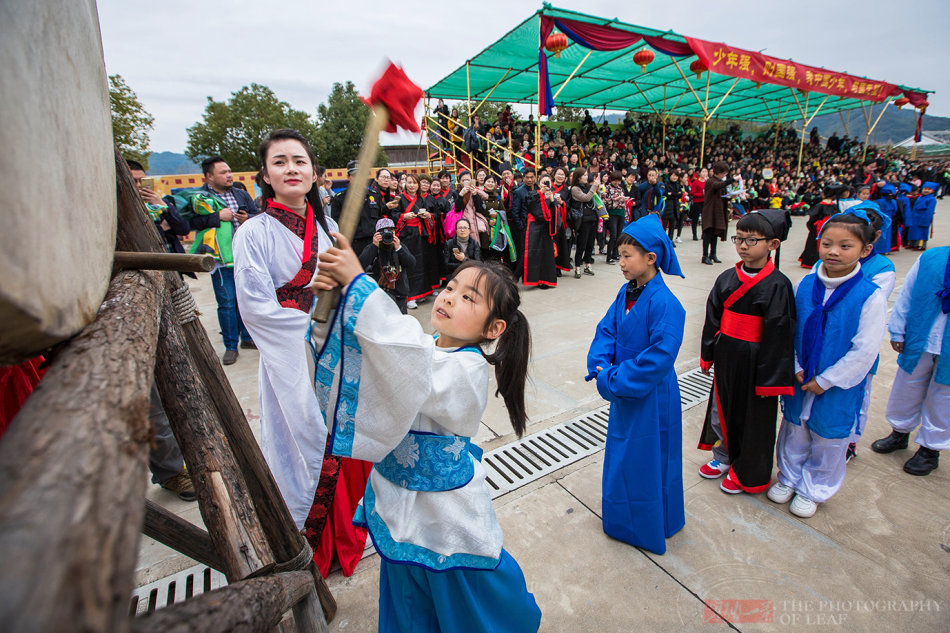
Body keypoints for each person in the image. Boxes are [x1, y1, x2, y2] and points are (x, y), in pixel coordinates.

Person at [311, 252, 542, 633]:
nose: (450, 297)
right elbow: (376, 360)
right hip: (398, 499)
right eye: (451, 287)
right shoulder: (424, 346)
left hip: (443, 514)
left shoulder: (465, 369)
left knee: (460, 596)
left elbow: (407, 363)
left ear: (494, 328)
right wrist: (334, 310)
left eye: (469, 298)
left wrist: (362, 291)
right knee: (406, 596)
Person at [233, 128, 370, 577]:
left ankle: (342, 537)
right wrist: (312, 326)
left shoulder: (329, 228)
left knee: (339, 437)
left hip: (336, 351)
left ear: (314, 174)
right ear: (266, 176)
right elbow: (256, 309)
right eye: (280, 162)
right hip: (292, 357)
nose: (291, 169)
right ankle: (303, 543)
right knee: (300, 442)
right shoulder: (253, 233)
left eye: (299, 161)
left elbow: (351, 288)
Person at [769, 210, 886, 518]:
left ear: (865, 250)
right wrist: (795, 365)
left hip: (836, 383)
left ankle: (814, 488)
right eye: (827, 243)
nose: (833, 251)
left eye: (845, 246)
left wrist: (827, 379)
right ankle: (789, 478)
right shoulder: (804, 285)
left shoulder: (869, 296)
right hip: (800, 374)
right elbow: (789, 330)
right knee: (794, 429)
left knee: (828, 437)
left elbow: (865, 349)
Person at [586, 214, 686, 554]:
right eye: (621, 254)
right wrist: (600, 365)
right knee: (624, 455)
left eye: (628, 255)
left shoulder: (667, 304)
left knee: (650, 459)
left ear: (651, 258)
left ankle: (651, 524)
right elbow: (607, 330)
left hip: (651, 395)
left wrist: (612, 378)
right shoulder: (625, 292)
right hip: (624, 390)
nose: (622, 262)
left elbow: (659, 357)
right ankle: (623, 520)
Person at [697, 210, 796, 494]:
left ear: (773, 244)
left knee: (752, 417)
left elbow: (780, 333)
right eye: (738, 238)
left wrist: (773, 378)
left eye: (751, 240)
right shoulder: (726, 277)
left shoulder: (778, 285)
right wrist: (708, 352)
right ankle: (723, 457)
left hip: (757, 362)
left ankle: (746, 470)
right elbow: (712, 316)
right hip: (727, 355)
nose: (742, 245)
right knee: (721, 409)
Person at [870, 245, 950, 476]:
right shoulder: (931, 257)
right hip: (921, 335)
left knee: (944, 396)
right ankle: (899, 431)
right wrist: (898, 331)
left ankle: (930, 448)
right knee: (906, 386)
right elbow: (908, 294)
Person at [184, 156, 260, 364]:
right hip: (220, 261)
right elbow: (190, 223)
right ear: (209, 177)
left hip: (245, 257)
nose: (229, 175)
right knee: (226, 302)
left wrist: (249, 219)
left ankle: (247, 338)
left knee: (246, 299)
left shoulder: (241, 193)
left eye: (229, 171)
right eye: (223, 172)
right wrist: (217, 217)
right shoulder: (199, 197)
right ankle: (230, 346)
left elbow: (257, 214)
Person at [396, 174, 438, 309]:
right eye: (409, 182)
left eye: (414, 183)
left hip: (420, 234)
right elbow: (394, 215)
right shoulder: (400, 199)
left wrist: (428, 216)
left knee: (421, 264)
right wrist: (403, 216)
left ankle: (420, 293)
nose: (412, 185)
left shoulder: (421, 199)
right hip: (406, 234)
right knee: (409, 265)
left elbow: (431, 214)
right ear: (405, 184)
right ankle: (409, 296)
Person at [358, 218, 416, 314]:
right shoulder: (373, 247)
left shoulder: (399, 246)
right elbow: (360, 264)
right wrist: (374, 246)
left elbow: (412, 264)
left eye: (390, 231)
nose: (387, 234)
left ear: (394, 232)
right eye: (382, 232)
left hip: (399, 293)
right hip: (379, 294)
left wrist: (399, 249)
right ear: (376, 234)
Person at [522, 173, 560, 289]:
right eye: (544, 182)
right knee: (535, 254)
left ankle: (545, 280)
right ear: (539, 184)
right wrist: (541, 193)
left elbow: (554, 214)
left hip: (547, 229)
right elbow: (531, 204)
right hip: (535, 228)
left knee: (547, 255)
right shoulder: (533, 194)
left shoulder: (551, 196)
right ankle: (535, 280)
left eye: (548, 182)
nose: (546, 184)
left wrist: (552, 201)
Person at [570, 167, 601, 278]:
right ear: (578, 177)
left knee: (590, 244)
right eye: (584, 175)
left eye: (586, 174)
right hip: (582, 220)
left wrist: (597, 188)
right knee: (581, 244)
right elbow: (586, 198)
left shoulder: (589, 187)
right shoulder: (575, 189)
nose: (586, 177)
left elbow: (596, 198)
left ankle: (588, 265)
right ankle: (577, 266)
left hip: (593, 218)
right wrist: (594, 186)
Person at [798, 184, 840, 268]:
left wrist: (811, 226)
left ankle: (809, 263)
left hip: (817, 228)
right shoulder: (834, 206)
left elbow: (812, 218)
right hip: (830, 227)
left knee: (813, 245)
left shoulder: (820, 205)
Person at [701, 161, 730, 266]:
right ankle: (705, 256)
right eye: (724, 173)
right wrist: (732, 180)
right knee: (708, 233)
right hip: (710, 211)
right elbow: (718, 186)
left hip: (717, 210)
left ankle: (713, 254)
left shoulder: (718, 181)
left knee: (715, 233)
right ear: (719, 171)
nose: (725, 175)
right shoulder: (711, 181)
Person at [907, 182, 937, 250]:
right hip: (915, 217)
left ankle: (920, 245)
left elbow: (929, 211)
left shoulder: (932, 199)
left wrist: (926, 220)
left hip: (923, 217)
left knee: (921, 233)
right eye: (925, 188)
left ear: (933, 191)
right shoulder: (919, 197)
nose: (926, 190)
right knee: (913, 231)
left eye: (929, 189)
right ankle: (913, 244)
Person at [689, 168, 707, 241]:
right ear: (699, 173)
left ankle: (704, 234)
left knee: (704, 219)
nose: (704, 173)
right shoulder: (696, 182)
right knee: (695, 219)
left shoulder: (706, 182)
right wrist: (702, 194)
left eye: (706, 172)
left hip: (705, 202)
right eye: (703, 172)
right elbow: (692, 193)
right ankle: (694, 234)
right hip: (697, 202)